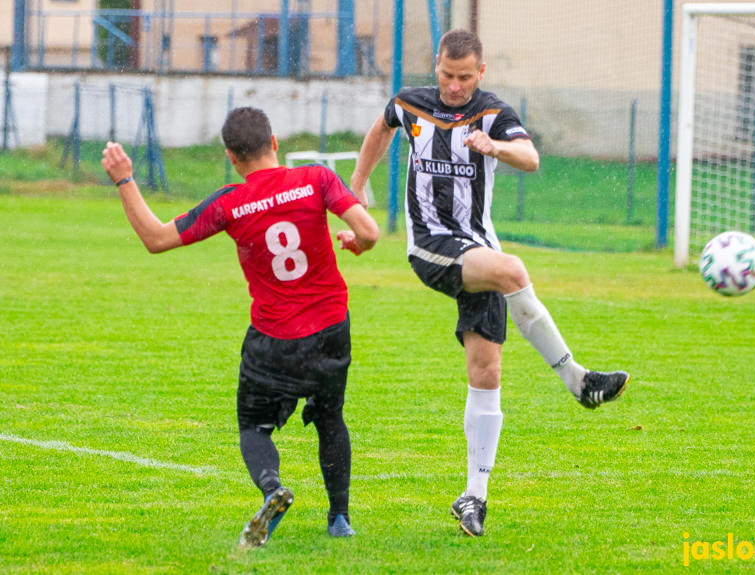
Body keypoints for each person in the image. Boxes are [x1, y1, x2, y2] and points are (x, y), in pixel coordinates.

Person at [349, 29, 628, 537]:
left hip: (477, 248)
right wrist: (358, 184)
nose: (454, 86)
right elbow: (380, 130)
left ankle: (473, 496)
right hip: (430, 246)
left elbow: (532, 158)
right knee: (514, 271)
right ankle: (578, 380)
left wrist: (493, 146)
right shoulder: (411, 103)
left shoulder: (493, 113)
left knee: (486, 368)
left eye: (464, 77)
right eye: (446, 75)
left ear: (481, 72)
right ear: (437, 65)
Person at [101, 107, 378, 546]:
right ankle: (339, 518)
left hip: (275, 338)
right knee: (330, 418)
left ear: (231, 157)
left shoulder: (230, 201)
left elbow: (155, 239)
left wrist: (124, 178)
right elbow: (369, 230)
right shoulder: (316, 178)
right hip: (330, 327)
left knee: (254, 426)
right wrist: (357, 243)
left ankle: (273, 489)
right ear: (274, 143)